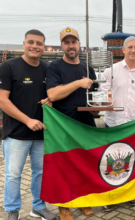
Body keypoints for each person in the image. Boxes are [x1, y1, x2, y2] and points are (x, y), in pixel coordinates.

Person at [0, 30, 56, 220]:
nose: (35, 46)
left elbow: (53, 95)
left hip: (41, 134)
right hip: (15, 134)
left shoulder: (47, 69)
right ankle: (12, 211)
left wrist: (51, 101)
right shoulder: (8, 67)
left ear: (44, 47)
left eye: (39, 43)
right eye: (31, 42)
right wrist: (27, 120)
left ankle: (38, 207)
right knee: (13, 175)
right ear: (24, 44)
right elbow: (2, 100)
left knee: (40, 173)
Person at [46, 27, 97, 220]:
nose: (70, 45)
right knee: (63, 167)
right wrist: (78, 83)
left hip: (85, 124)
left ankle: (83, 201)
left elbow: (94, 100)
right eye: (66, 42)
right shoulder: (54, 67)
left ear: (79, 45)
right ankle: (63, 206)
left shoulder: (87, 68)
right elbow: (52, 94)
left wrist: (98, 108)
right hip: (63, 126)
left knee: (84, 164)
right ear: (62, 46)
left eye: (73, 42)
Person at [98, 36, 135, 211]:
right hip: (113, 123)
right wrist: (105, 100)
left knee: (130, 159)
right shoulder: (111, 71)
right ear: (123, 50)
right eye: (130, 47)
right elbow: (102, 93)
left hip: (134, 124)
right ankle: (111, 196)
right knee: (110, 160)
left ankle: (130, 194)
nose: (133, 50)